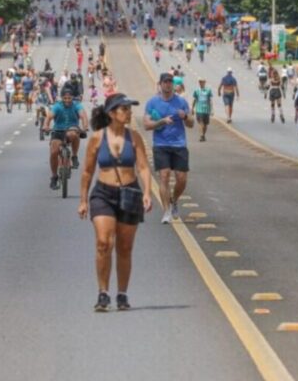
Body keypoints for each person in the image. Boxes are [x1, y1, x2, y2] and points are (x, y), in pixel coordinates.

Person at [78, 93, 152, 312]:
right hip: (103, 193)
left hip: (130, 192)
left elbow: (144, 167)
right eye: (124, 109)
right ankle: (103, 292)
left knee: (125, 247)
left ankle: (122, 293)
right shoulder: (97, 138)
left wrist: (147, 192)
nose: (129, 113)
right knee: (103, 242)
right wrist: (83, 200)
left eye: (129, 109)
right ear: (112, 113)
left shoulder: (134, 137)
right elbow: (87, 171)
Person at [145, 72, 194, 224]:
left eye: (170, 82)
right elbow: (146, 125)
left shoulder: (181, 102)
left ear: (173, 84)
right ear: (160, 84)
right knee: (164, 176)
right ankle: (166, 211)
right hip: (161, 145)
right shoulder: (152, 102)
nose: (168, 84)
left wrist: (185, 116)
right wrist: (162, 122)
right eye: (165, 82)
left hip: (179, 144)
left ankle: (174, 200)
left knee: (182, 179)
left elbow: (192, 124)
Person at [43, 89, 88, 190]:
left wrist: (85, 127)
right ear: (62, 98)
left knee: (74, 133)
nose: (67, 100)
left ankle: (74, 156)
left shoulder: (77, 105)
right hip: (58, 131)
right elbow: (49, 117)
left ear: (73, 97)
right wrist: (46, 126)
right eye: (65, 98)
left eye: (69, 98)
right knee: (54, 152)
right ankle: (54, 177)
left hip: (71, 129)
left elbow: (83, 116)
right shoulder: (57, 106)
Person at [192, 77, 213, 142]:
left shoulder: (208, 90)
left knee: (205, 124)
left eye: (202, 82)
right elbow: (195, 99)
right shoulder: (196, 91)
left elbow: (210, 100)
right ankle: (201, 135)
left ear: (204, 82)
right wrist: (192, 108)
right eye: (200, 82)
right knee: (201, 123)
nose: (201, 83)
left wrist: (212, 110)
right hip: (199, 109)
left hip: (206, 110)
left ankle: (203, 135)